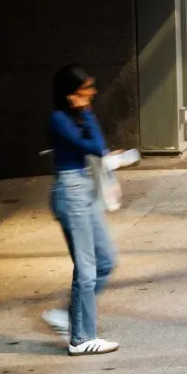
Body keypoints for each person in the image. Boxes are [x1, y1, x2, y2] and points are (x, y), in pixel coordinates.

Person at [41, 65, 120, 356]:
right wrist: (85, 114)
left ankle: (68, 317)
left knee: (106, 261)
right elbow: (96, 149)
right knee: (86, 268)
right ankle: (81, 338)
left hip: (83, 190)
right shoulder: (59, 119)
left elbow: (98, 144)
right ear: (71, 93)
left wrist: (86, 114)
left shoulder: (76, 116)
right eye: (87, 89)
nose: (92, 93)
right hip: (70, 193)